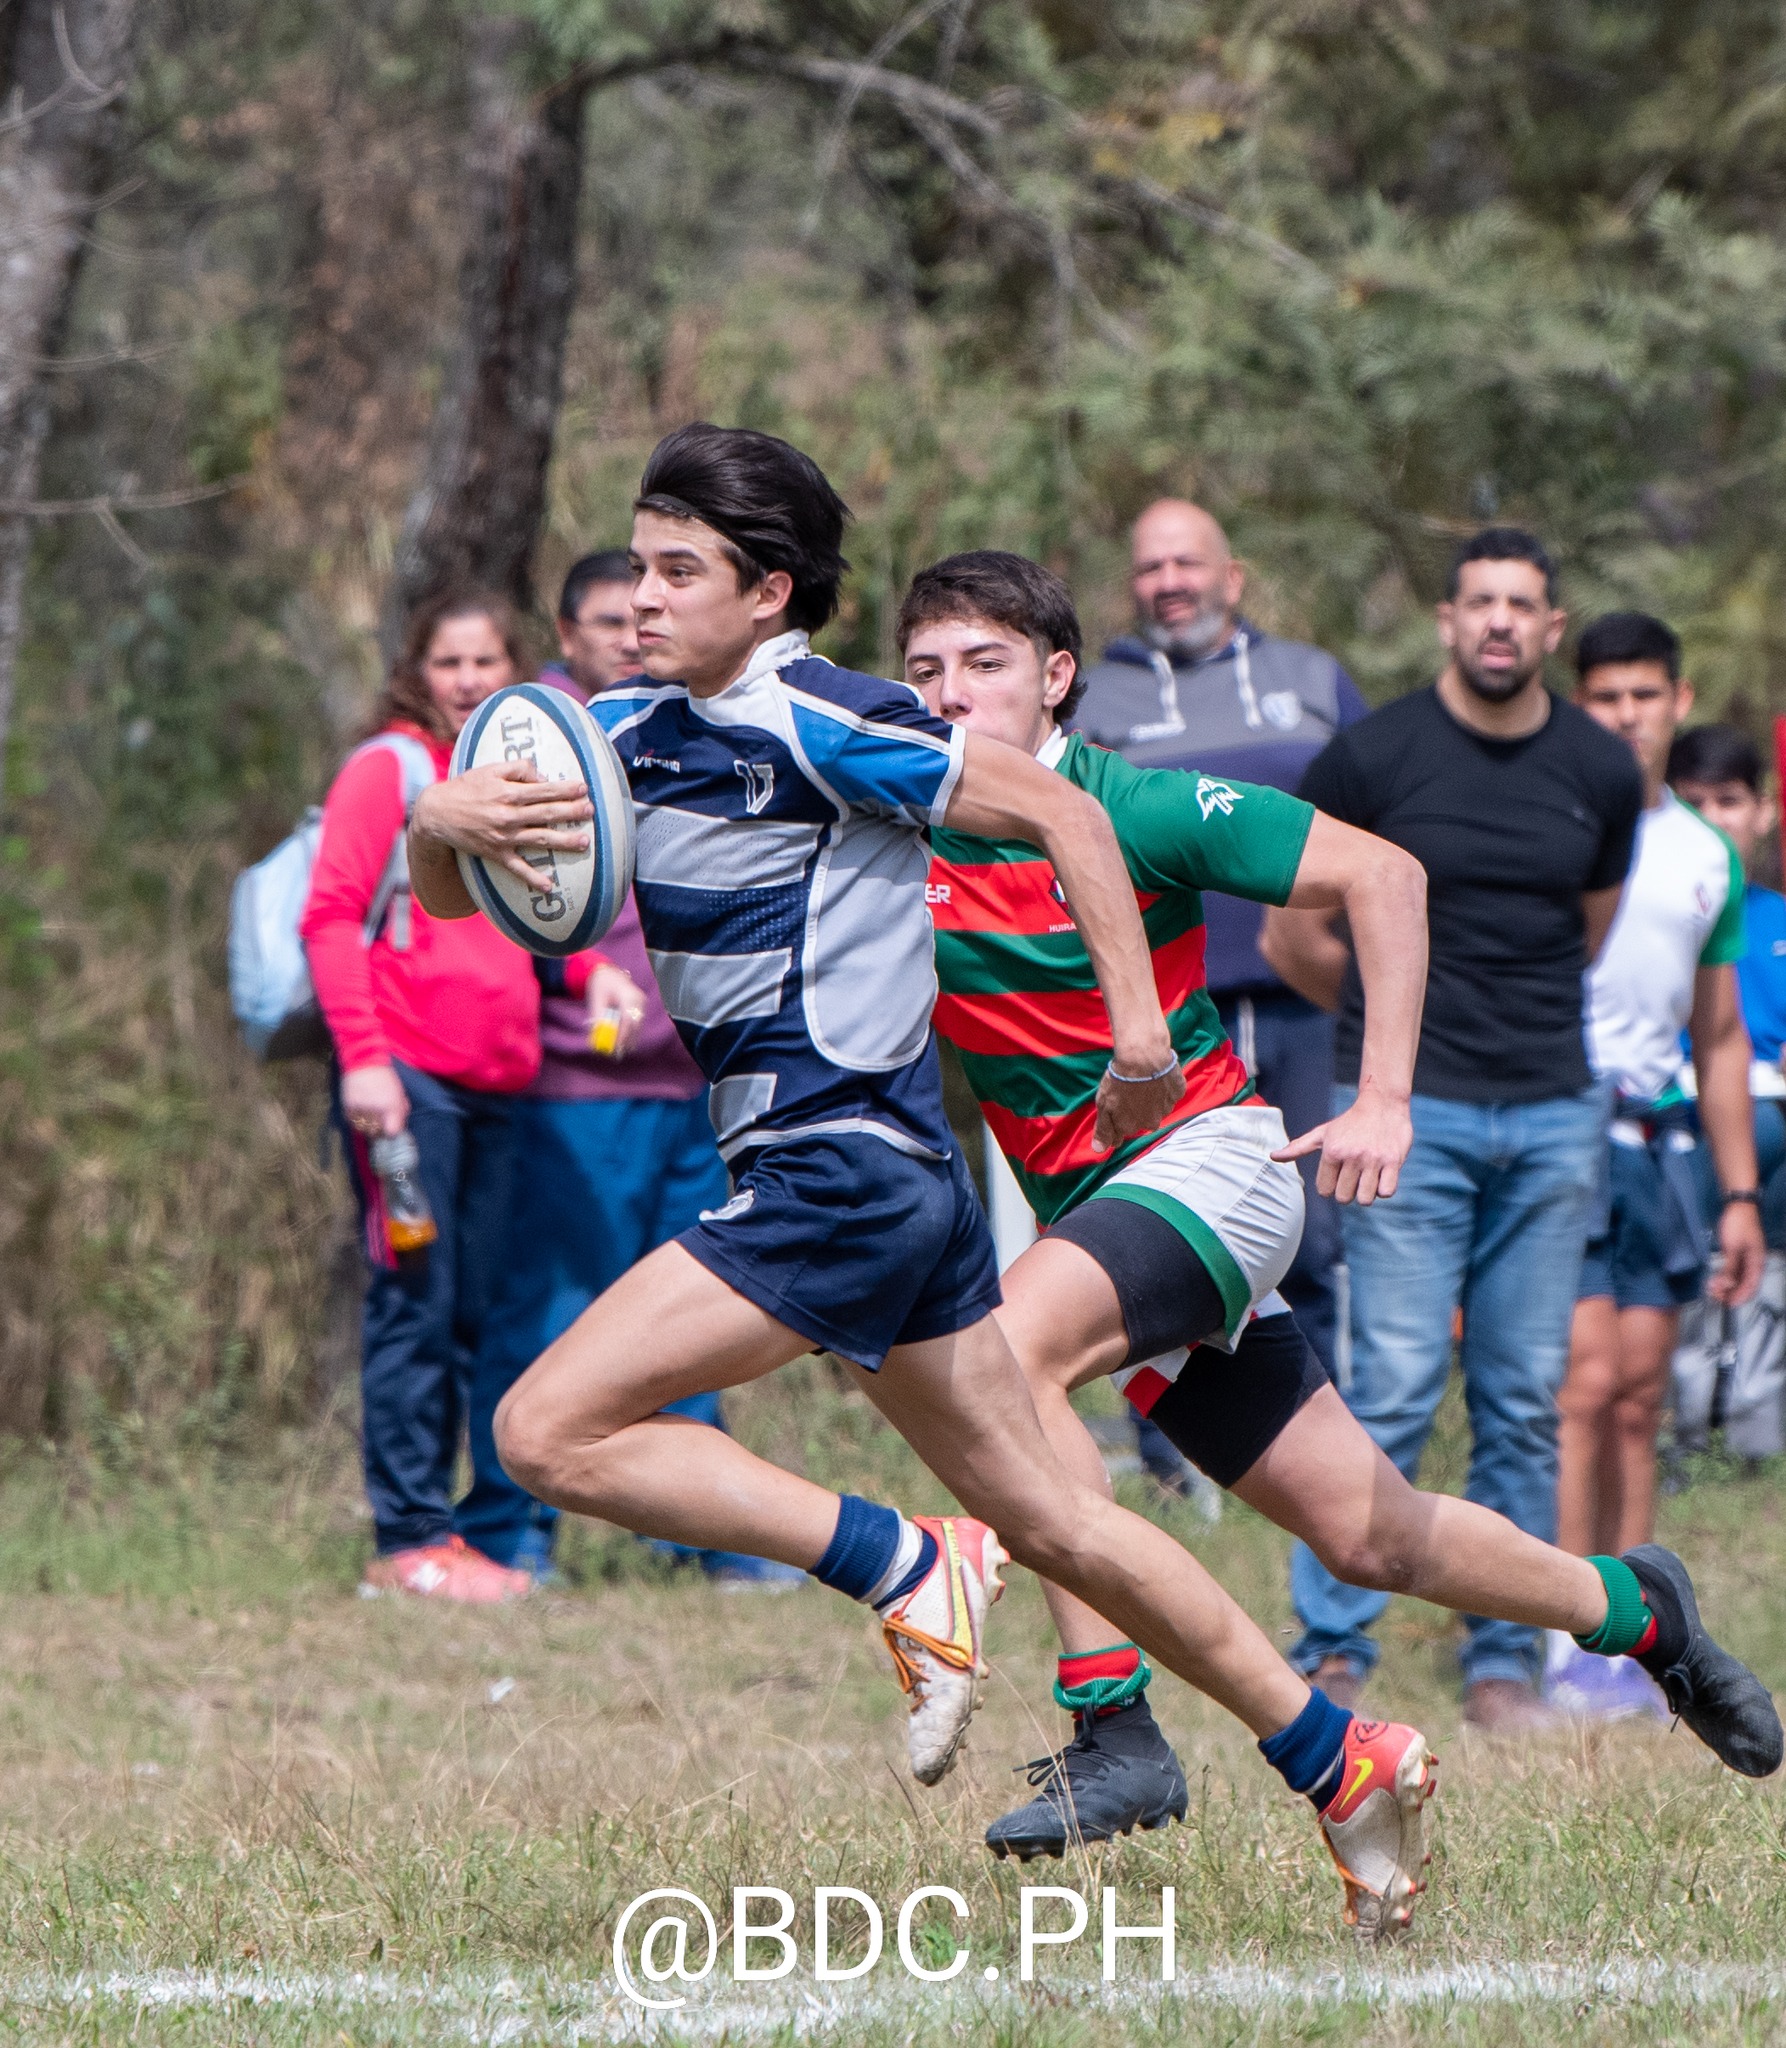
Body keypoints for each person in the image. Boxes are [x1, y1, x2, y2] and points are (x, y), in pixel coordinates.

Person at [409, 422, 1447, 1937]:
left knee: (544, 1429)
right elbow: (482, 896)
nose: (640, 595)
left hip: (835, 1174)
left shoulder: (827, 721)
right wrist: (445, 826)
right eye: (635, 563)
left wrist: (1142, 1037)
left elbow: (1066, 812)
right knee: (1065, 1525)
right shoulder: (624, 734)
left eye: (676, 570)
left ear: (768, 592)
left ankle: (900, 1560)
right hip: (892, 1194)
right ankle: (1337, 1759)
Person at [897, 549, 1779, 1863]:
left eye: (986, 665)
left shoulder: (1132, 807)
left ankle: (1113, 1727)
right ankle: (1633, 1607)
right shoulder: (897, 832)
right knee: (1372, 1533)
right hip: (1105, 1231)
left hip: (1211, 1171)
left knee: (1001, 1357)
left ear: (1057, 679)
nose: (951, 695)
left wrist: (1380, 1097)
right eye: (923, 671)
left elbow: (1385, 879)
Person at [1264, 529, 1647, 1733]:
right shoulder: (1371, 758)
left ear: (1549, 625)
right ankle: (1332, 1648)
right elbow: (1292, 936)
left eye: (1519, 604)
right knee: (1387, 1383)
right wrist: (1393, 1042)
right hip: (1402, 1122)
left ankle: (1501, 1659)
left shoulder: (1602, 764)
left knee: (1525, 1393)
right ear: (1445, 618)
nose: (1496, 621)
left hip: (1550, 1110)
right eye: (1477, 600)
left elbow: (1586, 927)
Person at [465, 550, 801, 1587]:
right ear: (566, 637)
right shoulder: (542, 746)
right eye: (608, 617)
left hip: (700, 1087)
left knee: (695, 1321)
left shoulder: (701, 732)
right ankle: (507, 1540)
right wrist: (570, 991)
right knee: (551, 1307)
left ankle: (701, 1537)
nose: (629, 631)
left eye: (643, 612)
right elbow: (496, 911)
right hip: (579, 1095)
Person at [1070, 498, 1366, 1378]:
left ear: (1230, 578)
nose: (1170, 584)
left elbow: (1379, 832)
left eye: (1187, 564)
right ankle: (1174, 1465)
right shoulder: (1096, 697)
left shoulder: (1314, 679)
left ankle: (1324, 1421)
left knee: (1314, 1228)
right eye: (1151, 569)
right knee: (1162, 1229)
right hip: (1161, 1015)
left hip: (1307, 1004)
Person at [300, 588, 542, 1604]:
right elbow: (329, 917)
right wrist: (364, 1062)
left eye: (487, 661)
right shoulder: (390, 769)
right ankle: (408, 1540)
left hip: (499, 1086)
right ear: (417, 671)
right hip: (408, 1086)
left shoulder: (511, 780)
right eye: (449, 662)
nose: (469, 680)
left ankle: (462, 1535)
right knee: (415, 1306)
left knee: (477, 1311)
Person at [1546, 623, 1765, 1716]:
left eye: (1643, 693)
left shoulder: (1705, 853)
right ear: (1574, 702)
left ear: (1677, 700)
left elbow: (1719, 1040)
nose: (1625, 713)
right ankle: (1554, 1626)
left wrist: (1737, 1194)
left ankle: (1634, 1636)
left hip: (1660, 1143)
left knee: (1636, 1399)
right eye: (1603, 694)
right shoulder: (1545, 819)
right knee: (1578, 1389)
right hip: (1552, 1129)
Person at [1668, 725, 1786, 1459]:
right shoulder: (1649, 916)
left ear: (1765, 811)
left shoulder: (1779, 920)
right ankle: (1680, 1435)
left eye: (1730, 801)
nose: (1714, 819)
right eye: (1695, 802)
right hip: (1680, 1127)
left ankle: (1756, 1441)